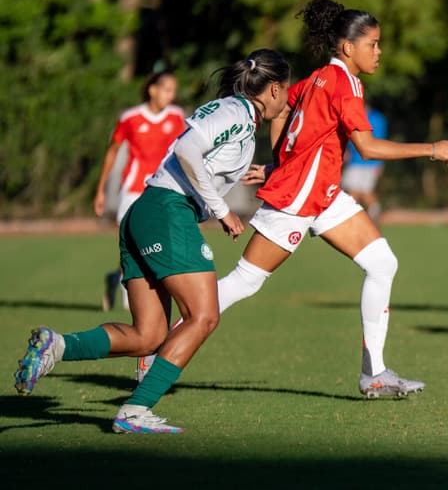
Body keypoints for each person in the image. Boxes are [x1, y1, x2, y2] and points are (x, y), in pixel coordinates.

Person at [141, 0, 448, 397]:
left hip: (323, 195)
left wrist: (280, 164)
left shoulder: (319, 78)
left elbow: (281, 113)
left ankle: (374, 374)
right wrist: (431, 149)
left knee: (382, 263)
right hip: (298, 200)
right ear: (348, 47)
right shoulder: (343, 85)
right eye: (373, 44)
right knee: (245, 281)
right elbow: (368, 148)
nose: (378, 52)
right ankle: (158, 351)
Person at [14, 49, 292, 434]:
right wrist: (220, 209)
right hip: (167, 211)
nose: (289, 98)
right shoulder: (236, 114)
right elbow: (186, 150)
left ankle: (57, 346)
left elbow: (202, 157)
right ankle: (135, 411)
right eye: (288, 89)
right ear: (275, 89)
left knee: (150, 336)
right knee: (204, 316)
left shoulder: (231, 112)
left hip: (145, 212)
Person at [93, 71, 185, 311]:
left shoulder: (176, 117)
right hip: (134, 188)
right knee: (131, 242)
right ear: (153, 90)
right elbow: (112, 151)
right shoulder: (130, 118)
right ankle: (128, 294)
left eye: (173, 91)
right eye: (166, 89)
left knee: (158, 242)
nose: (170, 95)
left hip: (164, 187)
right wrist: (101, 190)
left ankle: (122, 281)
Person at [340, 105, 387, 221]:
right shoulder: (352, 116)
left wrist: (380, 162)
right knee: (351, 192)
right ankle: (354, 218)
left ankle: (373, 215)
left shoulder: (377, 118)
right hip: (354, 162)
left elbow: (381, 140)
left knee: (364, 193)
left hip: (371, 162)